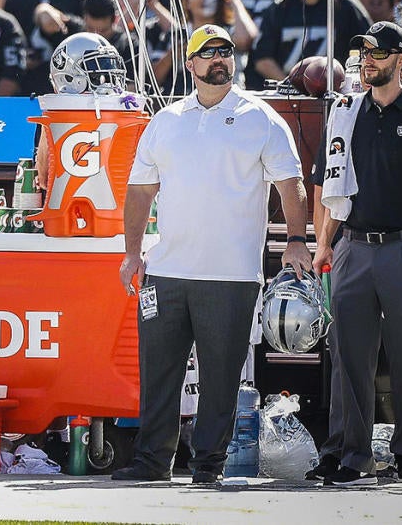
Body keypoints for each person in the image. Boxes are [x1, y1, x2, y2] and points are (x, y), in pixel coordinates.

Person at [114, 24, 310, 485]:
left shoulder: (261, 117)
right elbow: (140, 190)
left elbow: (291, 184)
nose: (219, 59)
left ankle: (208, 467)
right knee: (159, 373)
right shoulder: (167, 119)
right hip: (166, 270)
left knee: (221, 382)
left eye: (226, 51)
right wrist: (132, 253)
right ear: (190, 63)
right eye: (208, 53)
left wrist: (298, 240)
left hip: (231, 275)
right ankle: (151, 463)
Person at [311, 21, 402, 488]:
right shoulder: (347, 112)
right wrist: (324, 243)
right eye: (364, 53)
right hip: (352, 245)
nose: (367, 60)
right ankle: (350, 458)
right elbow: (329, 186)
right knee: (348, 357)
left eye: (377, 52)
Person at [252, 0, 371, 86]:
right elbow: (262, 59)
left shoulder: (345, 9)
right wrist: (290, 86)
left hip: (335, 93)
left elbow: (367, 48)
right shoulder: (280, 7)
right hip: (286, 94)